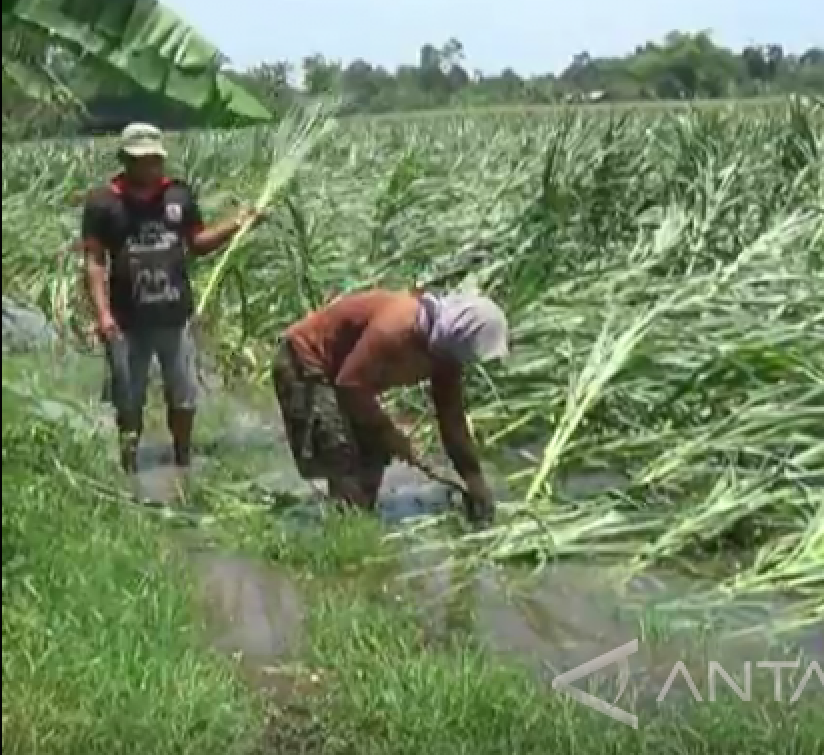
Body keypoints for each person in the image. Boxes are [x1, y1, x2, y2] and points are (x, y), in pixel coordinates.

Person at [80, 122, 255, 473]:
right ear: (126, 160)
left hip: (175, 316)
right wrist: (102, 315)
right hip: (127, 320)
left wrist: (238, 223)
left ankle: (182, 462)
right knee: (128, 400)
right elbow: (95, 260)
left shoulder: (178, 196)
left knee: (183, 397)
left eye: (155, 159)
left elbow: (198, 243)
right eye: (142, 160)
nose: (151, 166)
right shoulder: (103, 203)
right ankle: (129, 465)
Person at [271, 287, 508, 524]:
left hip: (344, 379)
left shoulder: (445, 354)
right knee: (341, 455)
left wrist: (474, 479)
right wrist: (391, 434)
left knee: (374, 452)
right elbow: (349, 385)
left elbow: (452, 420)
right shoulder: (397, 328)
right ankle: (342, 531)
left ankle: (357, 519)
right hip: (304, 363)